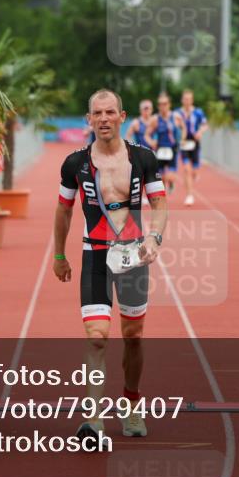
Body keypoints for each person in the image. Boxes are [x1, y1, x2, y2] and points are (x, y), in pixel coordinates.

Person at [54, 89, 168, 444]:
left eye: (110, 112)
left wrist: (154, 238)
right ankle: (93, 419)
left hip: (134, 257)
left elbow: (160, 204)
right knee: (97, 337)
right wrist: (59, 255)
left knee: (133, 337)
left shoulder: (143, 158)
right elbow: (64, 211)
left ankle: (131, 404)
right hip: (94, 257)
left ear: (122, 116)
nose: (103, 119)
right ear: (88, 119)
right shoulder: (75, 164)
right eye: (96, 113)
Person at [145, 93, 185, 197]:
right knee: (161, 178)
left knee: (170, 177)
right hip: (160, 150)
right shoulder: (155, 119)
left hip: (173, 149)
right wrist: (151, 142)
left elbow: (184, 127)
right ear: (158, 106)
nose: (163, 106)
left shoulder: (176, 117)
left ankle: (171, 183)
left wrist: (183, 139)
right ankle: (163, 197)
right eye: (160, 104)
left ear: (169, 104)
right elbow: (147, 135)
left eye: (165, 104)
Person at [175, 89, 208, 206]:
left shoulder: (198, 112)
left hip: (195, 144)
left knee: (193, 171)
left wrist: (200, 132)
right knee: (186, 169)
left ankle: (193, 174)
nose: (187, 101)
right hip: (184, 143)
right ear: (182, 100)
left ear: (192, 100)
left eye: (189, 99)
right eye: (185, 99)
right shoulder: (178, 113)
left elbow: (205, 125)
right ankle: (189, 195)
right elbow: (174, 125)